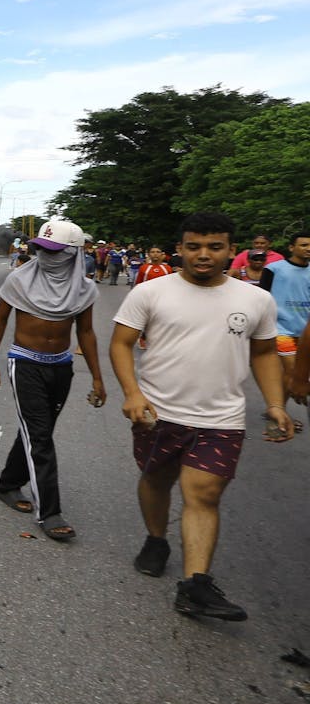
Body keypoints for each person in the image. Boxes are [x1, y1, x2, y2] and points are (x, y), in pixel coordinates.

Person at [110, 212, 294, 622]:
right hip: (158, 412)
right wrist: (132, 393)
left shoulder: (256, 300)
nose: (204, 255)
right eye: (194, 247)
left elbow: (264, 353)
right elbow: (121, 344)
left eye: (215, 247)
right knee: (156, 479)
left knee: (204, 494)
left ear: (233, 251)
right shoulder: (151, 292)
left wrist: (276, 404)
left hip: (223, 418)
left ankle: (195, 585)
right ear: (181, 249)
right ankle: (156, 539)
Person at [0, 219, 106, 541]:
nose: (47, 256)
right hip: (24, 364)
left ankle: (7, 485)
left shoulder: (84, 289)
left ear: (73, 253)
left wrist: (97, 378)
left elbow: (87, 332)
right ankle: (49, 512)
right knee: (40, 436)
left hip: (61, 366)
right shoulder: (19, 280)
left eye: (55, 251)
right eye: (42, 249)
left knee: (37, 431)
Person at [259, 231, 310, 434]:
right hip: (281, 329)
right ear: (291, 247)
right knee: (292, 371)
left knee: (291, 375)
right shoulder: (274, 269)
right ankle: (281, 418)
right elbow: (261, 296)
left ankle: (277, 408)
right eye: (304, 245)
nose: (308, 248)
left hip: (305, 331)